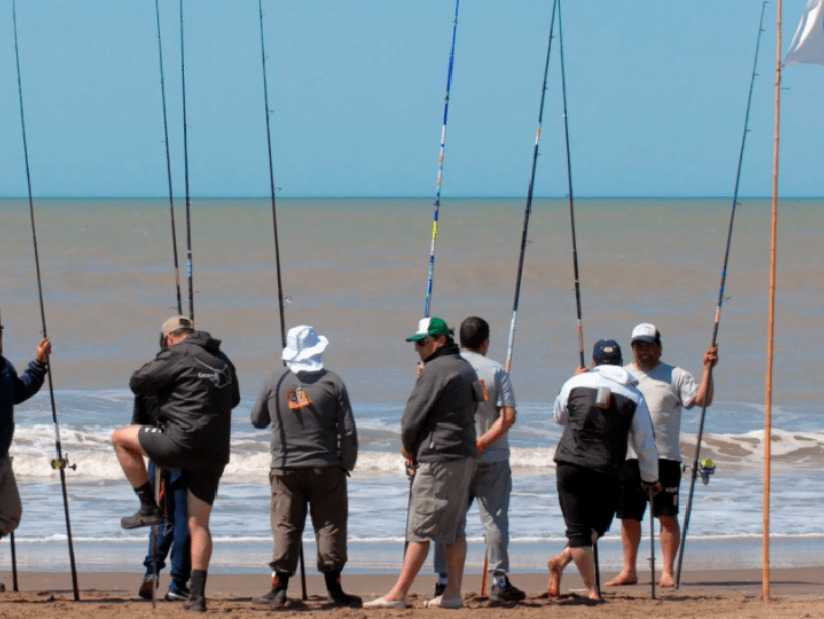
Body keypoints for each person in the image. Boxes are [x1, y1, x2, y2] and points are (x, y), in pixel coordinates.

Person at [112, 315, 240, 613]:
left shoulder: (176, 353)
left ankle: (146, 506)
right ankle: (196, 595)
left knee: (119, 438)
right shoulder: (222, 360)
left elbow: (137, 382)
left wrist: (163, 361)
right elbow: (232, 399)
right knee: (199, 524)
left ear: (170, 338)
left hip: (178, 443)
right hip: (214, 451)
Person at [365, 317, 480, 610]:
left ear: (440, 340)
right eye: (416, 344)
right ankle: (452, 593)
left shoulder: (435, 370)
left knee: (419, 529)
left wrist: (408, 448)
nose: (417, 349)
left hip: (439, 456)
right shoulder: (465, 367)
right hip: (464, 454)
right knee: (455, 528)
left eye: (422, 343)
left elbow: (411, 419)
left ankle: (398, 594)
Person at [250, 325, 360, 609]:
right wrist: (346, 463)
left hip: (285, 468)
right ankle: (334, 589)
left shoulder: (275, 380)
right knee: (330, 525)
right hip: (326, 467)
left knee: (285, 525)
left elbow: (257, 419)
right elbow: (347, 431)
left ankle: (279, 588)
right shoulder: (333, 382)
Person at [606, 323, 718, 589]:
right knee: (629, 516)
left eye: (648, 345)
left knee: (666, 515)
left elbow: (702, 400)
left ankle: (667, 571)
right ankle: (629, 571)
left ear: (659, 347)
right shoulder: (620, 375)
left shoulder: (676, 375)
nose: (643, 351)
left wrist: (707, 369)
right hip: (629, 456)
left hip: (665, 457)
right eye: (638, 346)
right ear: (632, 348)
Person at [547, 339, 659, 602]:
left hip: (569, 464)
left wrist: (574, 380)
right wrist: (651, 478)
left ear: (595, 362)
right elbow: (645, 442)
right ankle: (592, 591)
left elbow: (559, 417)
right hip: (606, 468)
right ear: (621, 362)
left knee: (579, 531)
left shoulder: (574, 383)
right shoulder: (634, 395)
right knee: (597, 525)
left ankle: (563, 561)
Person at [432, 316, 524, 602]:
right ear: (485, 342)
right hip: (491, 454)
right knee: (494, 519)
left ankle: (443, 579)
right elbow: (508, 417)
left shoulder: (445, 368)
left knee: (449, 519)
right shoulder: (496, 371)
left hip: (455, 455)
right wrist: (483, 442)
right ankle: (499, 580)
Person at [132, 395, 191, 602]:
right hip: (185, 451)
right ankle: (178, 583)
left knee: (162, 517)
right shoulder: (192, 378)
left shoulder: (150, 378)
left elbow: (138, 426)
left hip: (157, 450)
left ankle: (152, 570)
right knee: (184, 519)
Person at [0, 315, 51, 552]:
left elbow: (18, 392)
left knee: (10, 515)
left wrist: (39, 364)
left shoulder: (3, 366)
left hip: (2, 454)